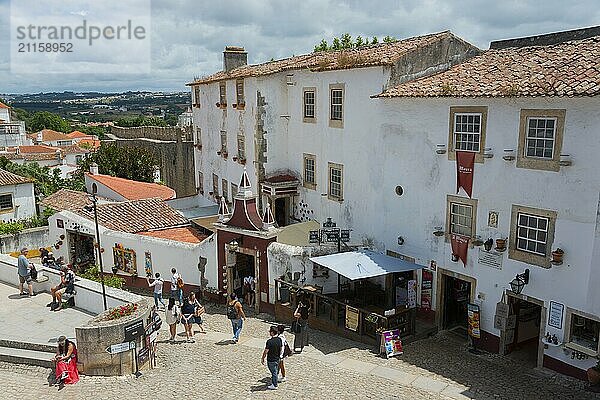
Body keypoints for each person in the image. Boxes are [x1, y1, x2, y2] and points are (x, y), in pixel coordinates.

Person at [261, 325, 282, 390]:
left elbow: (266, 351)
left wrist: (263, 358)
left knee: (273, 372)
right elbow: (281, 348)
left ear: (272, 332)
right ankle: (275, 380)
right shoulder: (279, 339)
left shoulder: (269, 341)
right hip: (277, 358)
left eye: (270, 331)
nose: (269, 332)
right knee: (275, 371)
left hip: (271, 360)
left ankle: (274, 385)